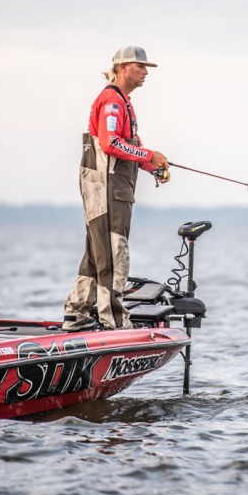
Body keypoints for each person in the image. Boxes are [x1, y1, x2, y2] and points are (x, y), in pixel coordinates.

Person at [62, 45, 170, 332]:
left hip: (110, 187)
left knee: (96, 253)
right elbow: (110, 144)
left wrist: (151, 165)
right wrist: (149, 155)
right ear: (123, 68)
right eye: (140, 66)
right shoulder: (112, 101)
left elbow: (127, 146)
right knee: (113, 252)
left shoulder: (122, 101)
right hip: (107, 189)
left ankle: (76, 312)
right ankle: (115, 321)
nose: (146, 72)